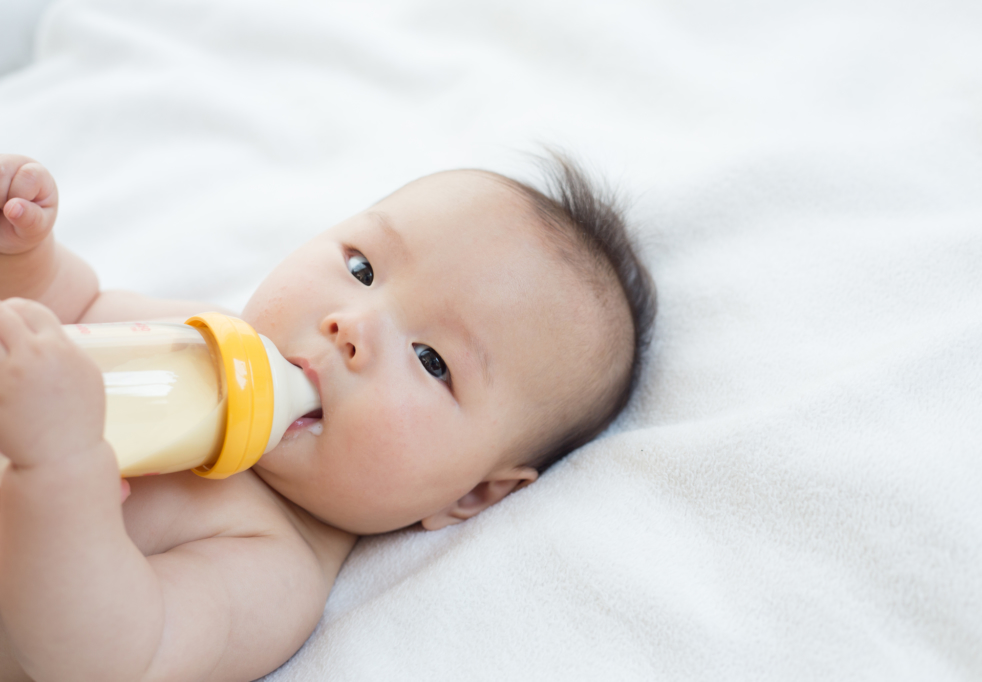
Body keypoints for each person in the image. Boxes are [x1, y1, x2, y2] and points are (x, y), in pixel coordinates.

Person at [0, 151, 655, 681]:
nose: (352, 324)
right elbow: (75, 313)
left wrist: (62, 469)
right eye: (363, 268)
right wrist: (29, 260)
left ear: (475, 492)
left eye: (431, 360)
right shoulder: (205, 339)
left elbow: (110, 658)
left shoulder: (272, 562)